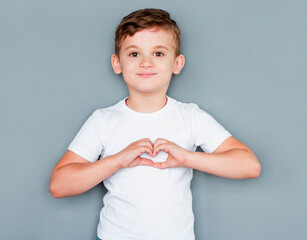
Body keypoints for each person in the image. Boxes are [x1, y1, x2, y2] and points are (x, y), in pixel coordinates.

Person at [49, 8, 261, 240]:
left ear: (177, 63)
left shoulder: (191, 116)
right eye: (134, 54)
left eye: (158, 53)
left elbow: (249, 166)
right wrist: (117, 161)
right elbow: (60, 185)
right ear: (116, 63)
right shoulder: (103, 120)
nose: (146, 63)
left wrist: (186, 157)